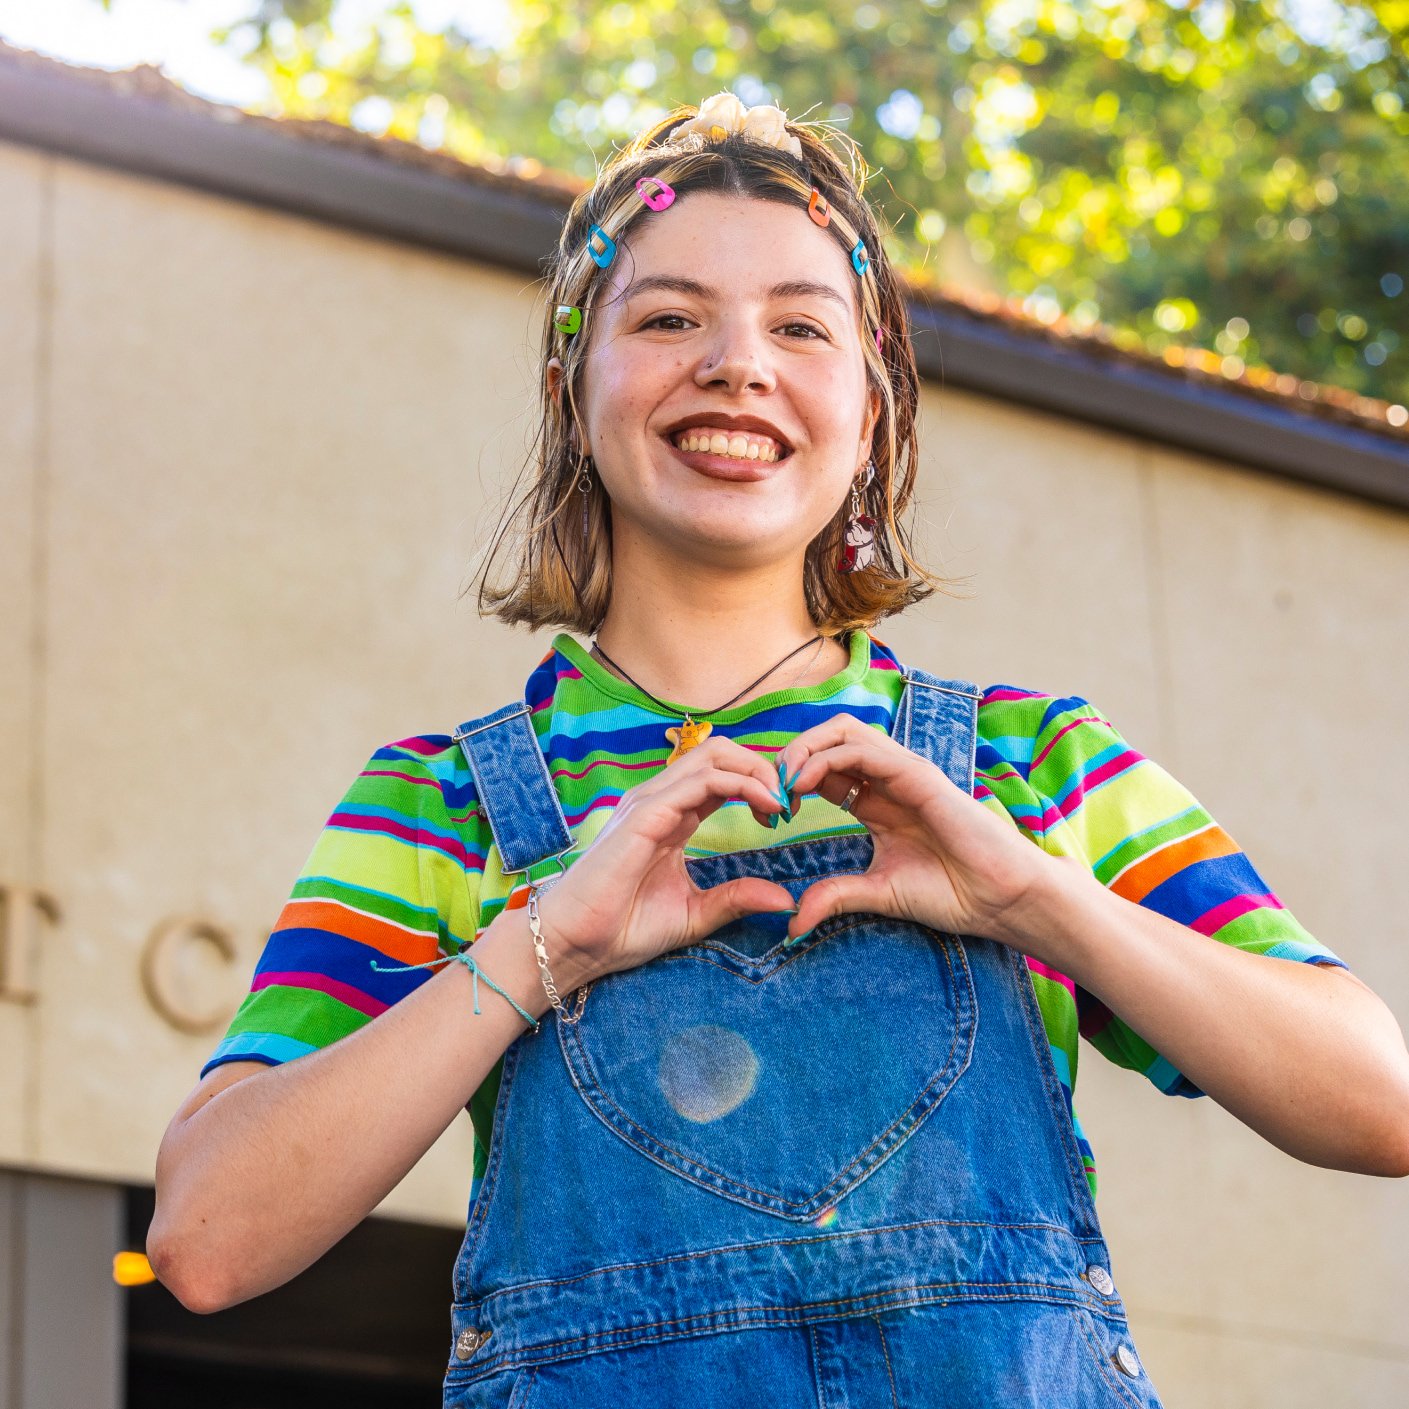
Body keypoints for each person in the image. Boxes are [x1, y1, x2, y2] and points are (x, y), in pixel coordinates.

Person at [148, 92, 1409, 1407]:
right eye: (667, 317)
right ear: (573, 394)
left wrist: (1034, 895)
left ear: (872, 411)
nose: (736, 364)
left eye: (801, 326)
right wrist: (541, 948)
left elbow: (1374, 1102)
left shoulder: (1031, 763)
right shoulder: (446, 799)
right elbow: (206, 1238)